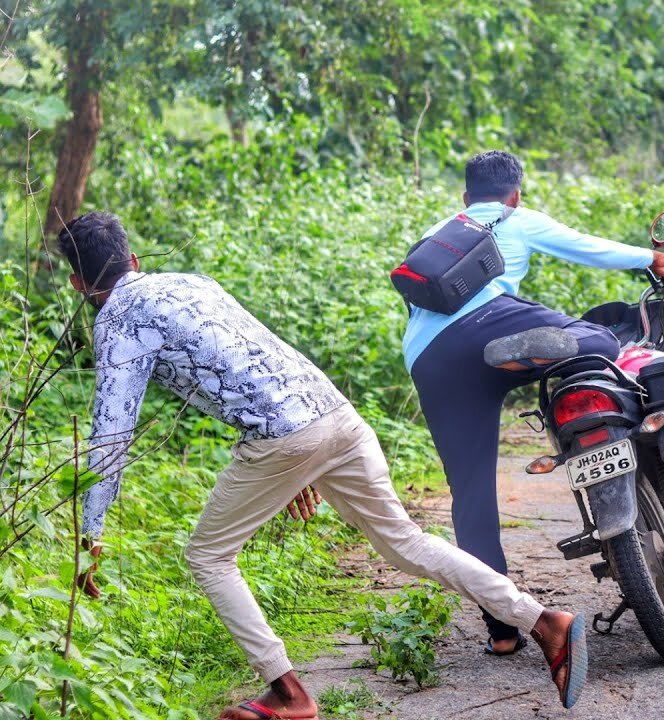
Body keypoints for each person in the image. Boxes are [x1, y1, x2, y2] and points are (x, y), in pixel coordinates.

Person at [59, 212, 590, 718]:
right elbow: (252, 357)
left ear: (81, 284)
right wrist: (298, 464)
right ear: (131, 256)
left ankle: (286, 691)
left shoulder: (119, 319)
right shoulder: (190, 283)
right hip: (333, 413)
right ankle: (544, 620)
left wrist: (91, 529)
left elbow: (112, 431)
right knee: (407, 542)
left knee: (208, 556)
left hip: (287, 436)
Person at [404, 150, 664, 654]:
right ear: (514, 194)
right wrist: (655, 258)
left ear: (464, 197)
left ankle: (501, 632)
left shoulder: (437, 232)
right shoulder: (514, 218)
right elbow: (585, 247)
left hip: (430, 359)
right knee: (602, 343)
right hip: (494, 324)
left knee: (470, 496)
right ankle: (530, 360)